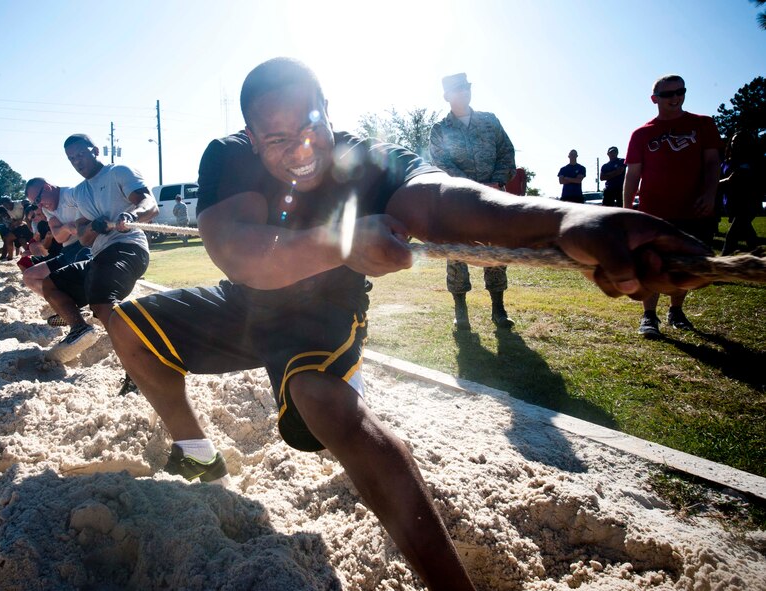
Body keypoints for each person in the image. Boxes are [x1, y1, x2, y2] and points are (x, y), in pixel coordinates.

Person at [106, 58, 711, 591]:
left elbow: (442, 199)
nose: (300, 147)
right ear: (250, 136)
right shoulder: (227, 156)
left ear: (329, 109)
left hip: (321, 310)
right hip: (245, 302)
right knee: (128, 325)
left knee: (324, 402)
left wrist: (565, 221)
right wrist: (342, 240)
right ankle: (198, 452)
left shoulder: (367, 157)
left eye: (310, 123)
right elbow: (238, 253)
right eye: (277, 138)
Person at [40, 134, 158, 363]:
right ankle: (79, 328)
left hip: (129, 247)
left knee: (101, 301)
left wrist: (131, 215)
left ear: (95, 151)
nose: (77, 162)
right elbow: (84, 239)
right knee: (50, 284)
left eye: (81, 155)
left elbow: (149, 204)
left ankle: (142, 358)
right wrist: (94, 228)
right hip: (100, 255)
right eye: (71, 158)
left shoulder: (118, 172)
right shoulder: (79, 193)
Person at [623, 74, 722, 338]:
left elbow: (713, 164)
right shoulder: (642, 134)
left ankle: (676, 311)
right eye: (668, 94)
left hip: (693, 211)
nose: (676, 98)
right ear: (654, 99)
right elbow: (632, 175)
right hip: (653, 214)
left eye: (681, 91)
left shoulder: (702, 124)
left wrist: (711, 194)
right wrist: (626, 211)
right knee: (651, 266)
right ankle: (649, 316)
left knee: (684, 267)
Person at [429, 72, 517, 330]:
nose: (463, 92)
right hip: (458, 202)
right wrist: (470, 186)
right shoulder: (440, 129)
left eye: (466, 88)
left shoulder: (489, 122)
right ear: (447, 96)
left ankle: (498, 309)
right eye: (457, 90)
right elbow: (440, 163)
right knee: (456, 253)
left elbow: (507, 153)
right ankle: (460, 311)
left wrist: (497, 181)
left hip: (492, 199)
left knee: (495, 252)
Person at [21, 178, 92, 307]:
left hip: (87, 247)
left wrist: (66, 229)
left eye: (38, 200)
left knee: (84, 274)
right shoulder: (48, 208)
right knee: (29, 277)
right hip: (67, 251)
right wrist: (66, 228)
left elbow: (84, 229)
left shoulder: (73, 195)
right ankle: (66, 305)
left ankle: (74, 305)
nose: (40, 206)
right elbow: (59, 238)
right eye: (36, 204)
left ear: (47, 188)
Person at [719, 131, 761, 256]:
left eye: (740, 142)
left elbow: (735, 181)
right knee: (749, 237)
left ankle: (721, 264)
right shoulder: (727, 162)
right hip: (732, 205)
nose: (736, 144)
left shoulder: (752, 162)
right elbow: (721, 180)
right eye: (734, 141)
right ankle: (760, 261)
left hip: (747, 205)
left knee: (731, 238)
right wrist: (725, 181)